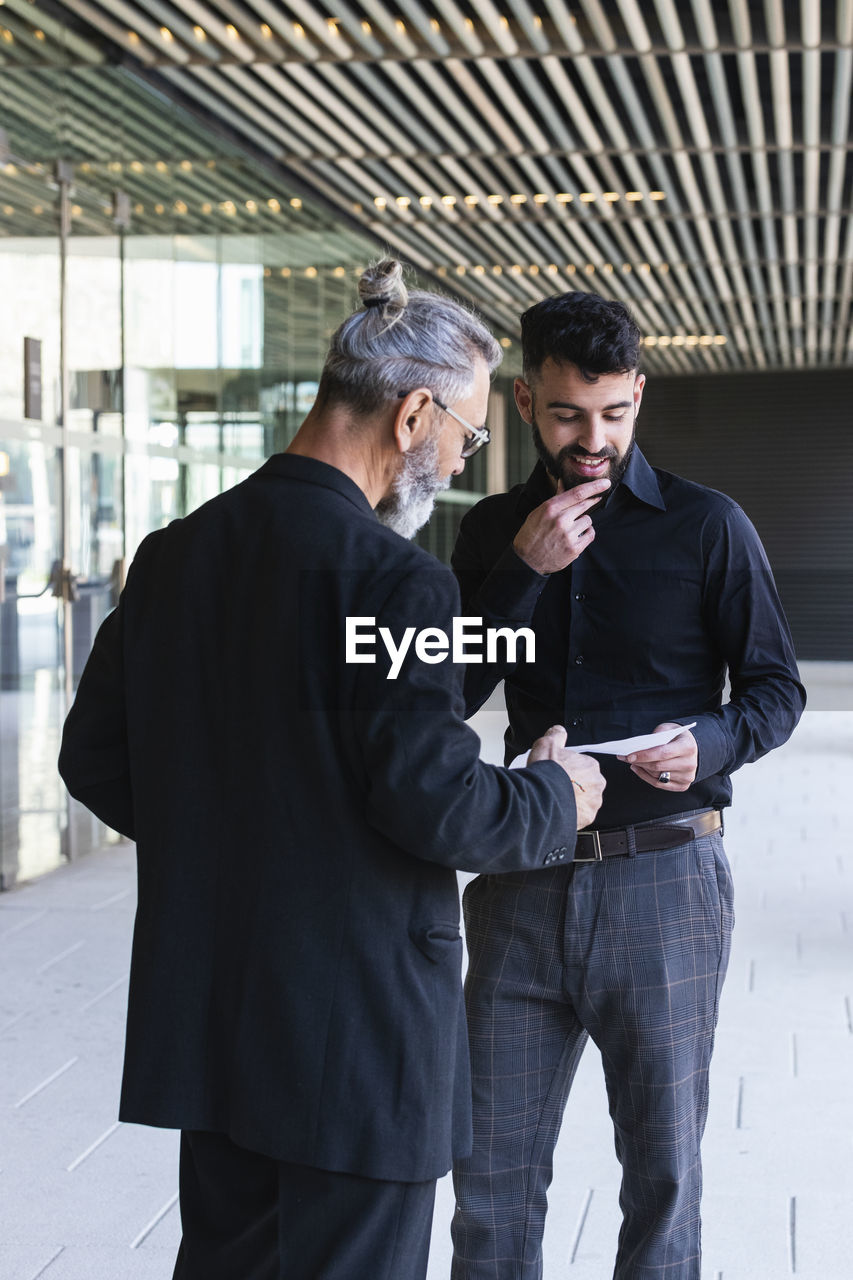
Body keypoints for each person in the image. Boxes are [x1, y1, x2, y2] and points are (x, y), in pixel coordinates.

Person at [58, 260, 605, 1280]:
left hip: (217, 1023)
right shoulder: (393, 579)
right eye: (464, 434)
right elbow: (436, 800)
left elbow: (91, 757)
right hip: (355, 1044)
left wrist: (229, 829)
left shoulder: (177, 553)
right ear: (411, 416)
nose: (458, 457)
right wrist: (553, 793)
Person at [450, 291, 805, 1279]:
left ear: (638, 393)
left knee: (662, 1180)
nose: (591, 438)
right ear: (525, 400)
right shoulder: (487, 532)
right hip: (523, 877)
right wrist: (519, 572)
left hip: (666, 883)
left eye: (612, 412)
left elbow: (776, 688)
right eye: (567, 414)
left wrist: (713, 741)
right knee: (487, 1182)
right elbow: (444, 690)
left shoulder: (706, 526)